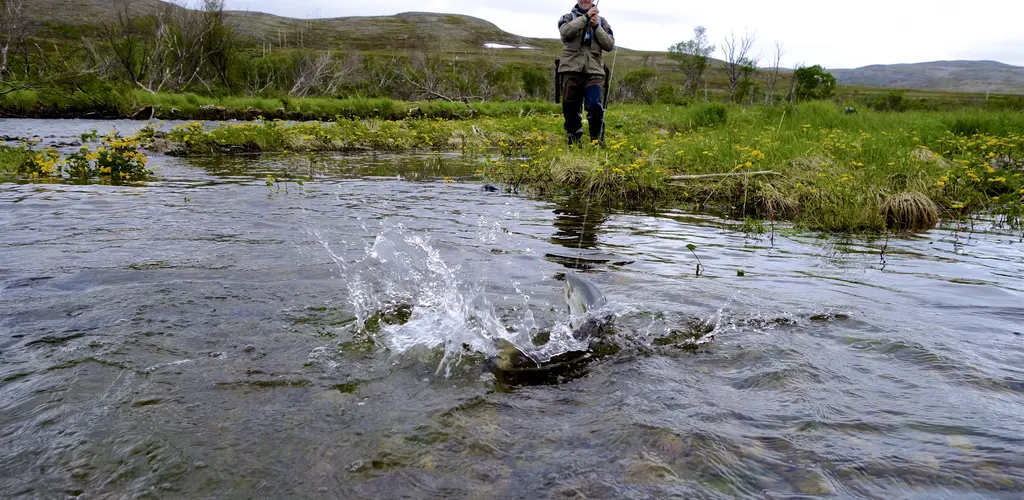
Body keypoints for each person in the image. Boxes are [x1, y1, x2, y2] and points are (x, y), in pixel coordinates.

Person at [557, 0, 615, 146]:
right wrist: (586, 18)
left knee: (594, 106)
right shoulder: (567, 18)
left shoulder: (602, 22)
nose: (585, 0)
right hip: (570, 70)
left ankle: (597, 141)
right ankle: (574, 141)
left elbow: (609, 45)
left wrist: (596, 26)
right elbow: (566, 32)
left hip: (594, 71)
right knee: (570, 108)